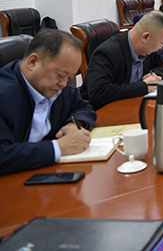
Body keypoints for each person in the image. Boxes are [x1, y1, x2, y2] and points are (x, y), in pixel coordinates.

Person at [0, 30, 96, 175]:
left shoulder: (55, 86)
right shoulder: (4, 95)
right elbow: (3, 154)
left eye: (69, 78)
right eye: (60, 75)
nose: (64, 84)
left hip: (46, 172)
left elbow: (84, 107)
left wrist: (72, 124)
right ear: (33, 62)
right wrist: (58, 148)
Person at [81, 11, 163, 110]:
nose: (160, 47)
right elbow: (99, 92)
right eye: (162, 43)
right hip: (107, 111)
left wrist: (152, 76)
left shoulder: (146, 50)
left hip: (133, 105)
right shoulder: (107, 52)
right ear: (145, 37)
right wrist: (143, 86)